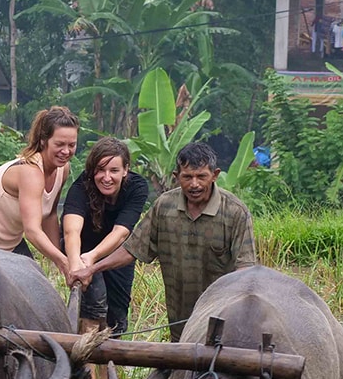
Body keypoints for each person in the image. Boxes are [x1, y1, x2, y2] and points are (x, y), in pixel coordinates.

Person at [68, 141, 256, 341]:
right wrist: (92, 269)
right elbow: (131, 250)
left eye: (201, 176)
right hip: (179, 326)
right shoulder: (164, 206)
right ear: (176, 177)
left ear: (215, 175)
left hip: (221, 325)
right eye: (187, 177)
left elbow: (246, 272)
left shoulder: (236, 212)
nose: (194, 184)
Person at [62, 137, 148, 379]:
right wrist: (77, 262)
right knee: (92, 308)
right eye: (100, 170)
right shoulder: (81, 187)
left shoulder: (137, 187)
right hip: (81, 250)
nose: (106, 177)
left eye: (113, 170)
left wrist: (94, 258)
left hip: (117, 254)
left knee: (116, 318)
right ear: (92, 171)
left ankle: (105, 375)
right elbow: (71, 228)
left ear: (126, 170)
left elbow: (122, 232)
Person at [0, 106, 78, 278]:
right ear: (43, 141)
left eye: (72, 145)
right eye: (59, 144)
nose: (66, 151)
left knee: (33, 285)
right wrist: (62, 261)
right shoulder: (30, 172)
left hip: (8, 242)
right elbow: (32, 231)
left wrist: (58, 260)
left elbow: (50, 215)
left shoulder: (63, 169)